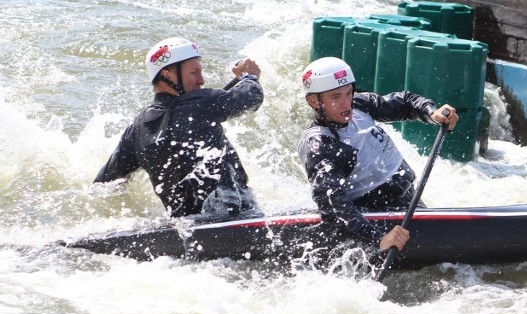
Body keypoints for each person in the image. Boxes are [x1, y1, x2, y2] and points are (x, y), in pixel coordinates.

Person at [297, 57, 458, 254]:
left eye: (349, 93)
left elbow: (404, 102)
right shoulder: (321, 145)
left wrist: (432, 112)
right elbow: (332, 205)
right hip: (378, 218)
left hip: (406, 198)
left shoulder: (359, 106)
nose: (346, 103)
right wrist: (378, 239)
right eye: (335, 97)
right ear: (314, 101)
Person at [94, 37, 264, 218]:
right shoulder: (201, 103)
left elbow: (104, 183)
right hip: (236, 218)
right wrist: (249, 76)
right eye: (194, 72)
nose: (201, 80)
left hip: (185, 226)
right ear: (168, 75)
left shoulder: (137, 128)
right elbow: (252, 96)